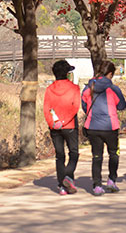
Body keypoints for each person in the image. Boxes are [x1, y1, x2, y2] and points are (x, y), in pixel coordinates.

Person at [82, 60, 126, 196]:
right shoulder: (113, 89)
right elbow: (121, 105)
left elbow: (84, 106)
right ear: (111, 73)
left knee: (97, 156)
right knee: (114, 153)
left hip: (92, 126)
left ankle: (96, 185)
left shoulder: (88, 87)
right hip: (110, 126)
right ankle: (111, 181)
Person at [43, 59, 80, 196]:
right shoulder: (74, 88)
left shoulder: (49, 89)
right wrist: (64, 121)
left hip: (54, 127)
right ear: (67, 73)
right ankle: (68, 176)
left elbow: (46, 109)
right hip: (69, 125)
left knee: (60, 156)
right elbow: (75, 107)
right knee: (74, 153)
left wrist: (53, 123)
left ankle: (62, 187)